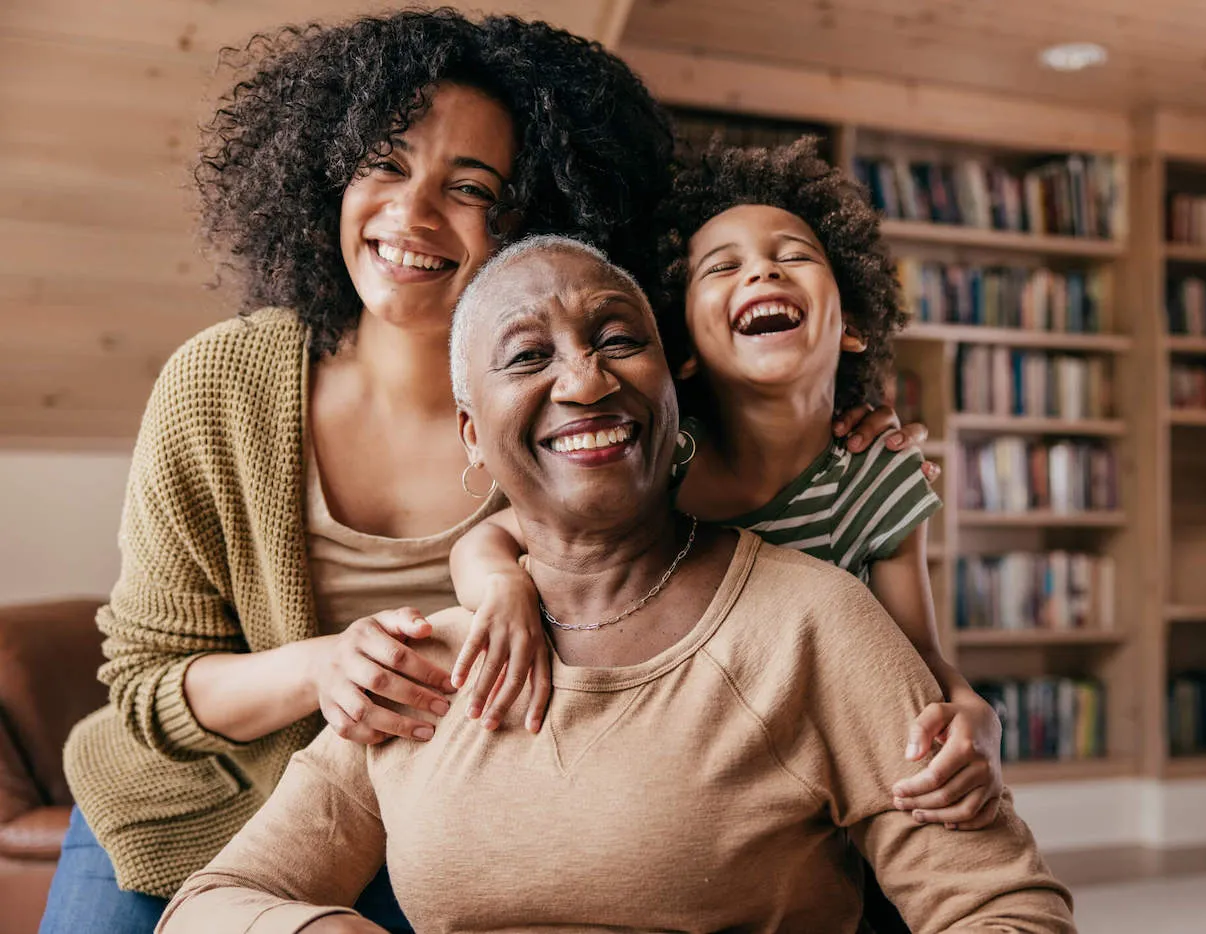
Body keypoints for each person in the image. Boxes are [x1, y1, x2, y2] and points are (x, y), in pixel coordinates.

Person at [42, 12, 915, 932]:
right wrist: (327, 668)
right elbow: (146, 685)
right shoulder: (220, 385)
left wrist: (863, 435)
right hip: (178, 811)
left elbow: (774, 507)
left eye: (471, 187)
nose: (412, 214)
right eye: (384, 163)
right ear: (327, 172)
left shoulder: (588, 413)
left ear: (536, 216)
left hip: (438, 811)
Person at [156, 236, 1075, 934]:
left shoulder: (813, 622)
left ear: (674, 392)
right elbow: (212, 901)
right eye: (527, 356)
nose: (585, 381)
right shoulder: (421, 666)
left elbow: (1005, 910)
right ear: (474, 436)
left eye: (617, 340)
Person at [448, 138, 1004, 832]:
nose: (764, 271)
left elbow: (916, 658)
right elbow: (490, 539)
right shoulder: (658, 460)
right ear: (679, 351)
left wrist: (977, 715)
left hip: (813, 774)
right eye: (724, 266)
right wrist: (502, 587)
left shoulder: (880, 476)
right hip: (668, 764)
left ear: (853, 323)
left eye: (794, 255)